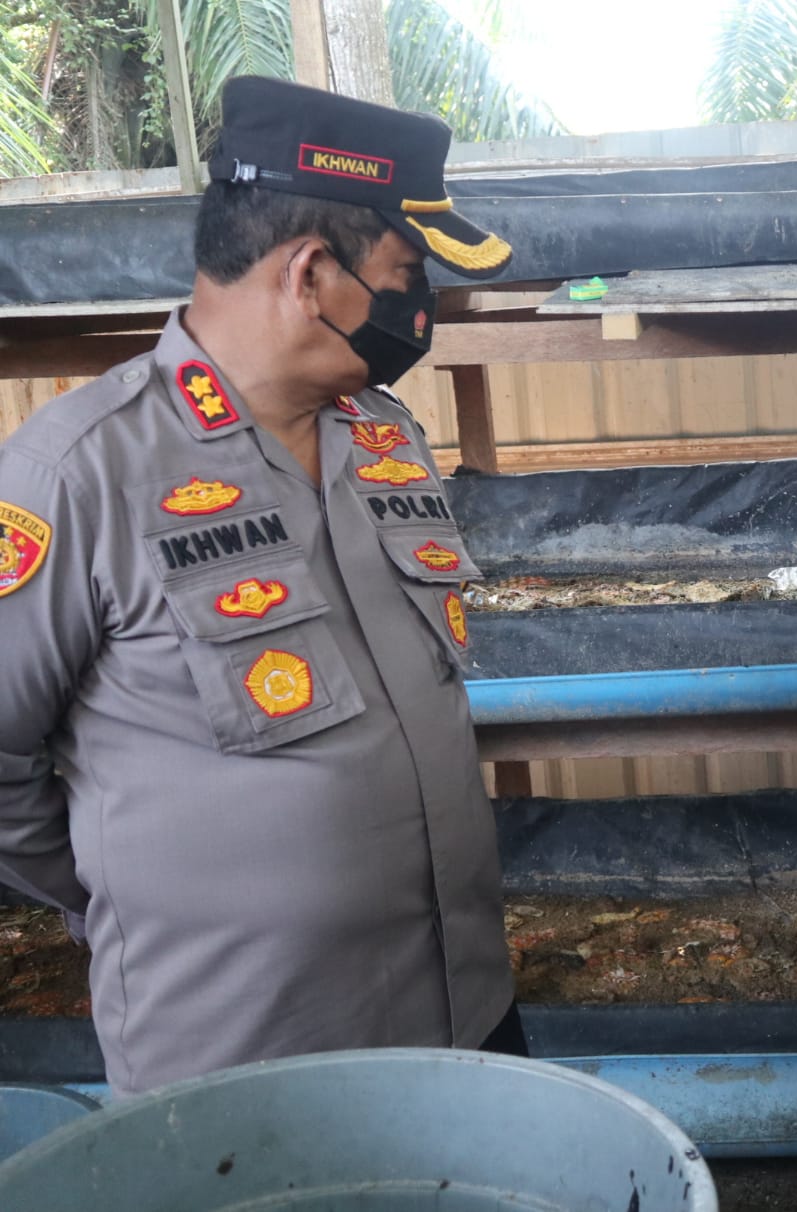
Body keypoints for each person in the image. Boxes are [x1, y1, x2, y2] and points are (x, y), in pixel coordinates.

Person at [0, 76, 527, 1096]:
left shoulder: (385, 434)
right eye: (408, 272)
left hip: (468, 1019)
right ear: (314, 272)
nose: (425, 306)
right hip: (246, 1067)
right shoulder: (76, 474)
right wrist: (122, 892)